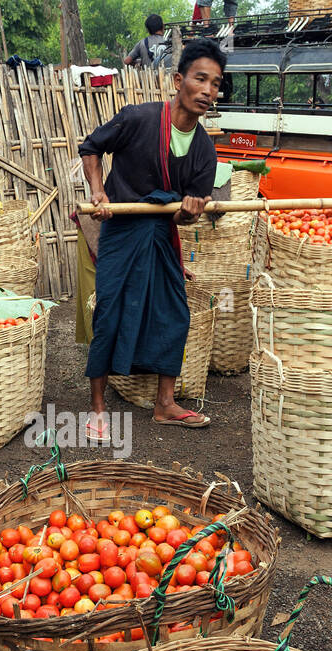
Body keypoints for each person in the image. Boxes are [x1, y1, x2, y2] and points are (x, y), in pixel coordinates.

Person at [79, 38, 226, 437]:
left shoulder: (204, 152)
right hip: (122, 232)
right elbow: (91, 149)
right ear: (179, 80)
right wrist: (98, 191)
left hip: (160, 236)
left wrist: (190, 212)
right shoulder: (138, 118)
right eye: (200, 79)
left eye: (216, 83)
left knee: (173, 314)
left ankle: (165, 404)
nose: (208, 91)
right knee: (109, 313)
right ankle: (96, 409)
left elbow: (181, 219)